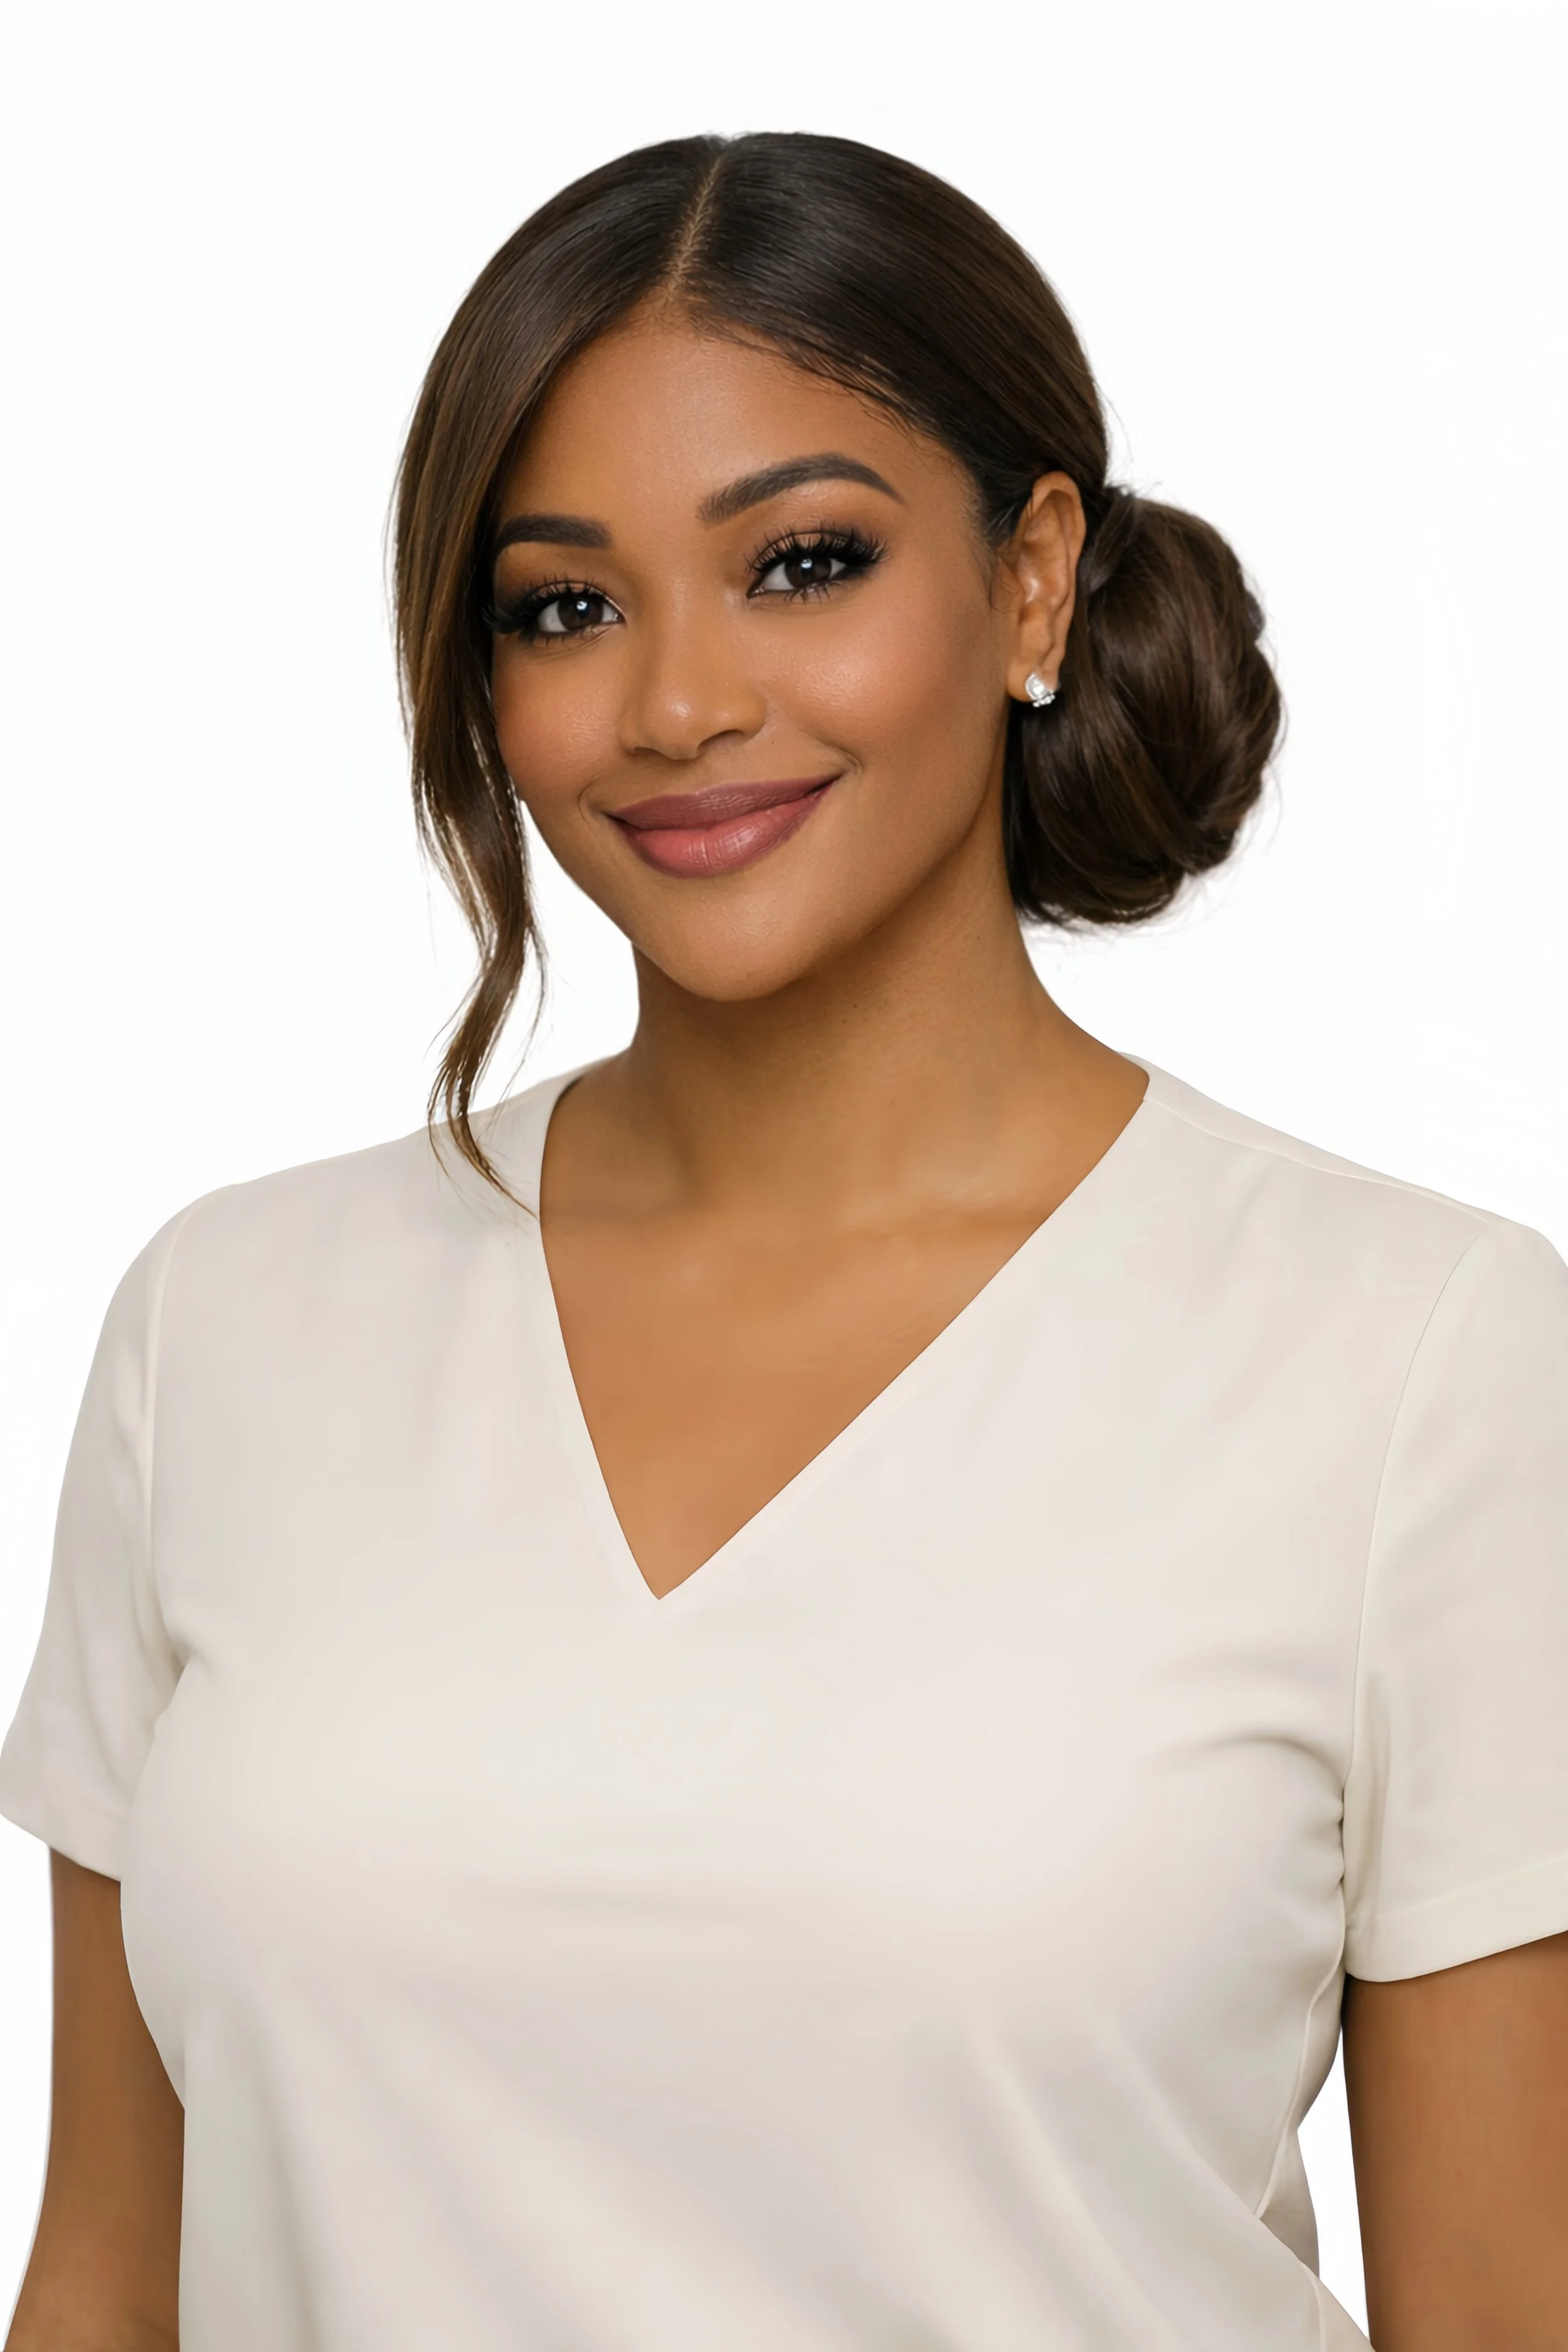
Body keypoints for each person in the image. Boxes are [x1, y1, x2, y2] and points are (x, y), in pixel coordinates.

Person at [3, 130, 1565, 2352]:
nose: (673, 703)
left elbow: (1503, 2311)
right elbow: (104, 2281)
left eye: (802, 562)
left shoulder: (1410, 1352)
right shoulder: (226, 1332)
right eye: (564, 603)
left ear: (1032, 581)